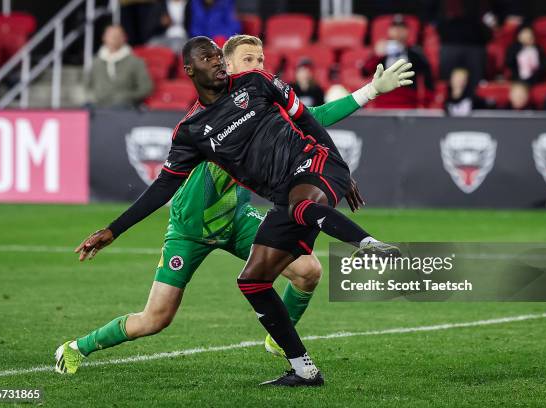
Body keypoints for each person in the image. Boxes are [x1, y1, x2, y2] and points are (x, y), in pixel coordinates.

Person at [57, 36, 414, 386]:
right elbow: (165, 184)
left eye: (261, 60)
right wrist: (113, 229)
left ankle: (282, 340)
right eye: (249, 60)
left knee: (308, 271)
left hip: (236, 219)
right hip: (190, 229)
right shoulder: (196, 129)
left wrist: (368, 95)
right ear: (223, 64)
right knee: (156, 318)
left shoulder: (257, 95)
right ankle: (77, 348)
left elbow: (313, 118)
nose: (258, 67)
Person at [362, 14, 434, 108]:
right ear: (389, 31)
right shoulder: (380, 52)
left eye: (402, 28)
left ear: (408, 32)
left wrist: (425, 104)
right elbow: (365, 72)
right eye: (395, 28)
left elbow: (429, 80)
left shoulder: (415, 54)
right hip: (383, 104)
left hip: (408, 104)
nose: (398, 31)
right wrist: (377, 55)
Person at [85, 25, 153, 108]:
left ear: (124, 38)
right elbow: (86, 85)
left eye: (117, 36)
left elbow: (146, 88)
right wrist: (94, 97)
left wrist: (126, 97)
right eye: (110, 36)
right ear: (104, 38)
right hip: (99, 105)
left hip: (125, 107)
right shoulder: (96, 62)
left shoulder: (135, 62)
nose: (113, 38)